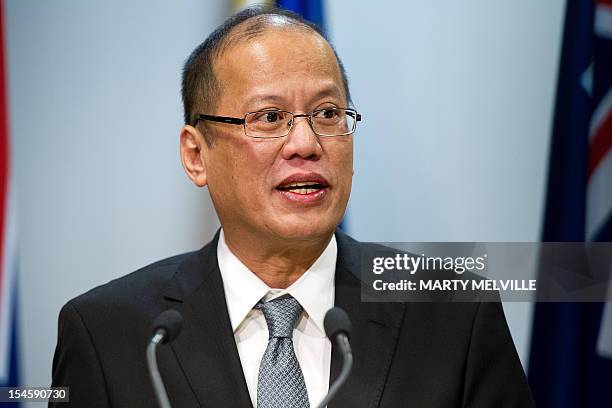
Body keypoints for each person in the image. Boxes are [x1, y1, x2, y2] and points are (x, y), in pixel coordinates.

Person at [51, 6, 535, 408]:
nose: (305, 143)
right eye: (269, 117)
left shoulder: (452, 312)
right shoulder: (110, 332)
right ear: (196, 156)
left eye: (327, 113)